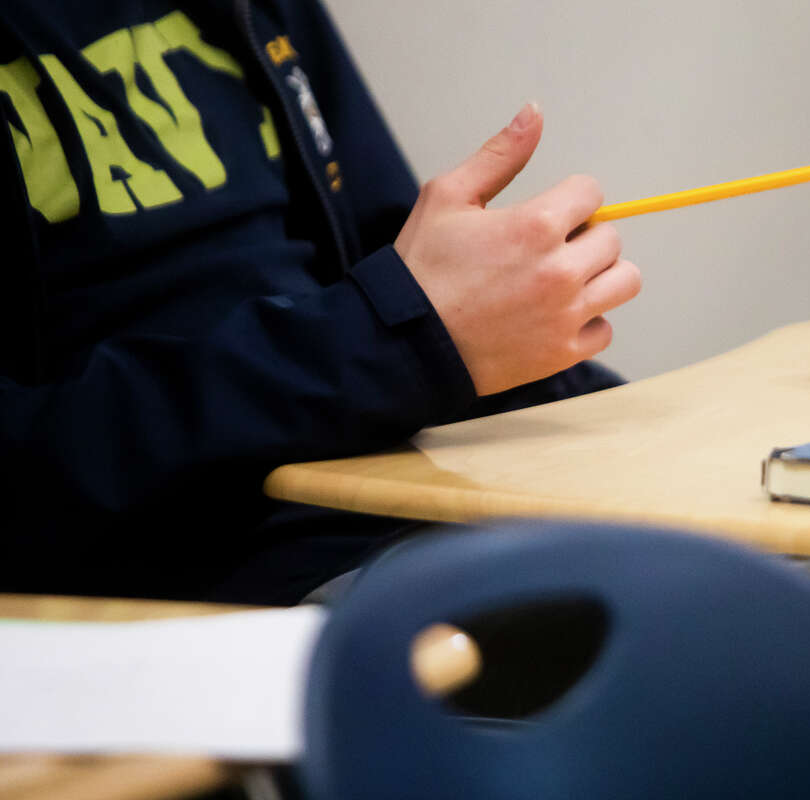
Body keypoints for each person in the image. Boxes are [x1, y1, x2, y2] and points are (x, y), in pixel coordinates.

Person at [0, 0, 641, 603]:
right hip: (208, 597)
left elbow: (399, 268)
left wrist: (612, 420)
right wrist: (401, 340)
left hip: (414, 513)